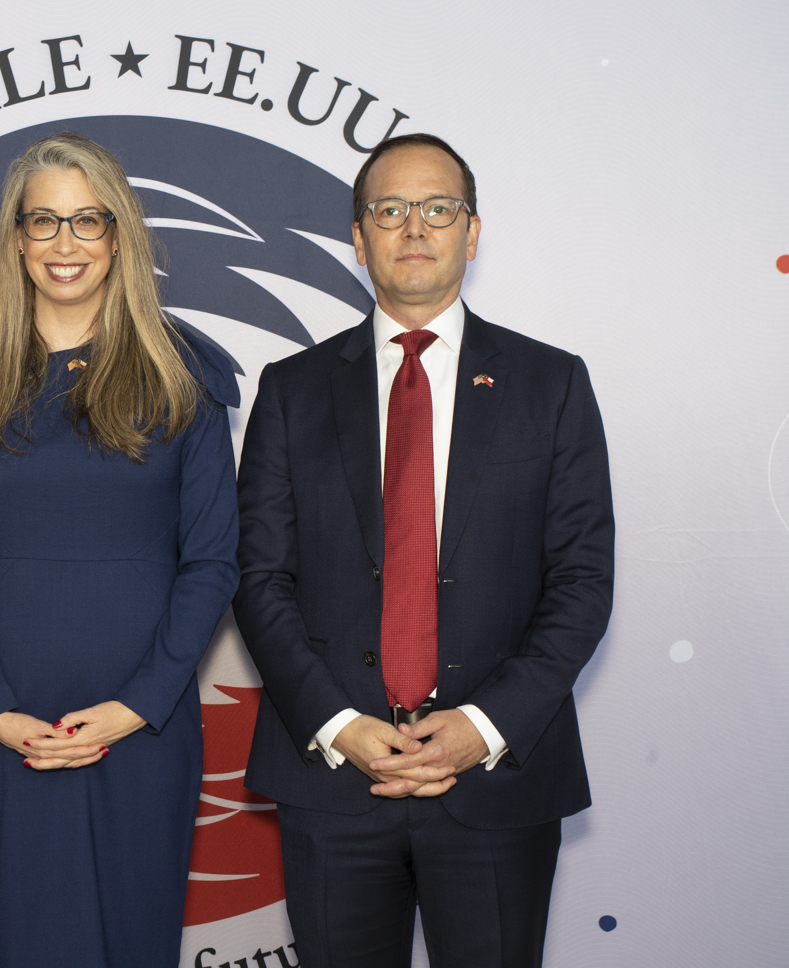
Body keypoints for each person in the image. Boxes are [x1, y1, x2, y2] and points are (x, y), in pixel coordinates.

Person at [235, 134, 614, 968]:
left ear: (471, 233)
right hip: (335, 777)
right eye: (389, 210)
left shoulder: (551, 384)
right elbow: (260, 578)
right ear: (358, 238)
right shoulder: (292, 390)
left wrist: (484, 726)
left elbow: (583, 582)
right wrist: (342, 724)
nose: (415, 228)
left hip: (498, 779)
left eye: (438, 209)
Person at [0, 132, 240, 968]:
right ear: (16, 239)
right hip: (4, 724)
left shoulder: (184, 377)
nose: (65, 244)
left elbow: (212, 563)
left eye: (87, 221)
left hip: (143, 726)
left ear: (118, 235)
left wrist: (137, 705)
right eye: (45, 222)